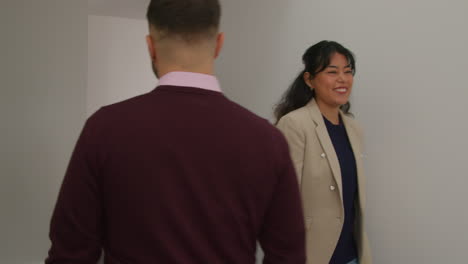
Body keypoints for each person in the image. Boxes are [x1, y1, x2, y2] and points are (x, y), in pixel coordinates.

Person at [45, 0, 305, 263]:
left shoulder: (104, 129)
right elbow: (289, 256)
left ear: (150, 47)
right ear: (219, 44)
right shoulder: (267, 140)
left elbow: (70, 253)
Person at [275, 41, 372, 264]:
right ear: (309, 80)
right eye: (332, 72)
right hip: (312, 255)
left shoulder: (354, 129)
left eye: (348, 72)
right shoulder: (295, 124)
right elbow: (282, 203)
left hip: (352, 255)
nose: (342, 79)